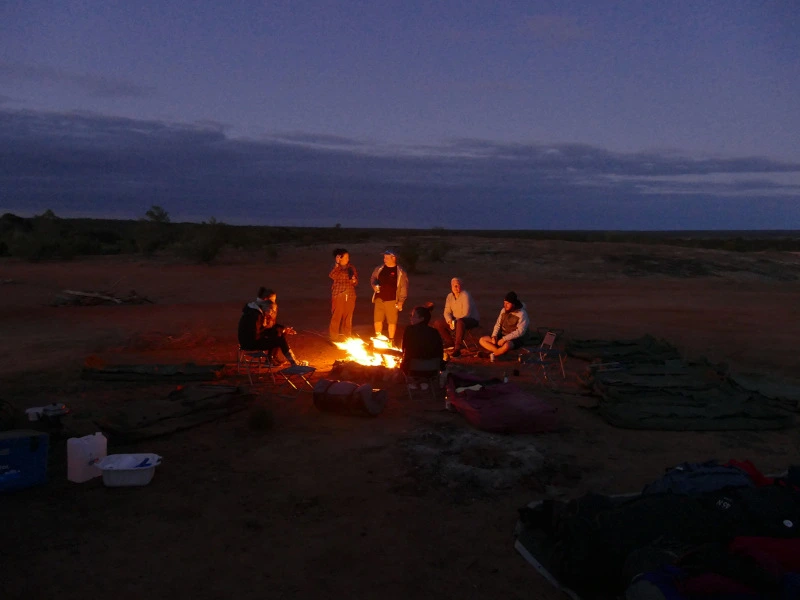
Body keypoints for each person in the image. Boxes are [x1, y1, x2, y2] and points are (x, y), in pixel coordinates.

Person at [237, 288, 302, 365]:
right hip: (249, 343)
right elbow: (254, 334)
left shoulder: (257, 310)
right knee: (279, 339)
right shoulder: (255, 314)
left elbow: (265, 328)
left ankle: (271, 359)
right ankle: (294, 363)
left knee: (278, 333)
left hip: (253, 339)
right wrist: (273, 334)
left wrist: (283, 329)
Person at [432, 277, 480, 358]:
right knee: (438, 323)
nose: (456, 287)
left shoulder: (465, 295)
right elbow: (447, 311)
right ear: (451, 286)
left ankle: (457, 348)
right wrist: (449, 320)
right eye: (454, 286)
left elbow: (466, 313)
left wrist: (455, 322)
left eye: (458, 285)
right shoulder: (449, 296)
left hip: (470, 319)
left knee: (460, 322)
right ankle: (450, 342)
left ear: (461, 286)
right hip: (456, 320)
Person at [370, 249, 408, 347]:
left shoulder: (400, 272)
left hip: (392, 300)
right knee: (377, 320)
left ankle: (391, 341)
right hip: (379, 298)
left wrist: (401, 301)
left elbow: (404, 287)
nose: (384, 259)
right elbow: (373, 278)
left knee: (392, 321)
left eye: (387, 258)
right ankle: (378, 338)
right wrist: (374, 286)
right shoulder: (379, 268)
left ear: (393, 258)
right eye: (384, 257)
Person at [479, 291, 531, 359]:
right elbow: (498, 324)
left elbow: (520, 332)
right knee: (482, 340)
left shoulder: (522, 314)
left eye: (507, 303)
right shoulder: (503, 310)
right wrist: (494, 336)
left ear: (513, 304)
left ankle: (490, 355)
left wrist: (504, 339)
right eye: (504, 303)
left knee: (507, 346)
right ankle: (499, 352)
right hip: (503, 335)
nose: (505, 305)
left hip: (515, 339)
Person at [399, 303, 444, 375]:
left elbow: (404, 349)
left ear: (422, 319)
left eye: (413, 316)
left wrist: (404, 365)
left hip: (414, 367)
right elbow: (440, 351)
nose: (411, 318)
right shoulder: (434, 331)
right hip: (433, 368)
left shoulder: (409, 330)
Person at [329, 248, 358, 340]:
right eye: (345, 257)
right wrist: (337, 264)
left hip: (350, 294)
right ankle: (334, 337)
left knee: (348, 318)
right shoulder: (336, 267)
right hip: (339, 294)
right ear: (339, 258)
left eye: (348, 257)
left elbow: (355, 282)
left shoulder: (351, 268)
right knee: (336, 316)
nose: (347, 259)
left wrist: (354, 280)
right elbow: (332, 276)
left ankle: (347, 337)